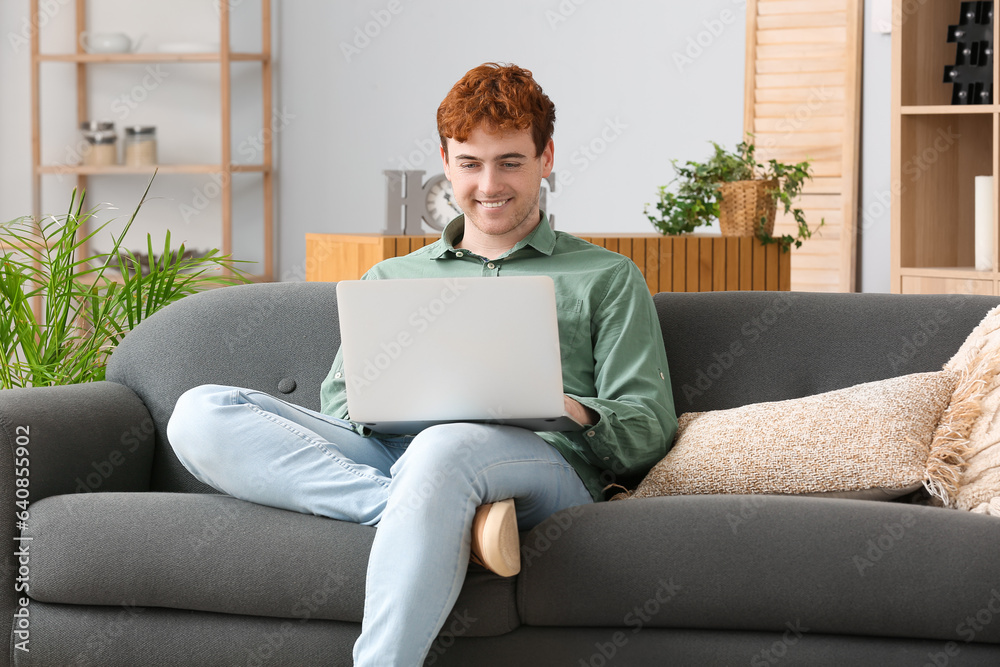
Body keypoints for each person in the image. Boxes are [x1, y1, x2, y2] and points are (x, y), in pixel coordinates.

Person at [167, 62, 677, 666]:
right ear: (446, 161)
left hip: (543, 471)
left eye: (511, 161)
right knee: (199, 414)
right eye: (470, 164)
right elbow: (340, 403)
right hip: (401, 453)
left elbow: (648, 427)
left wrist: (571, 410)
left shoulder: (607, 276)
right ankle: (441, 513)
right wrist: (391, 407)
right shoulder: (391, 277)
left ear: (546, 158)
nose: (489, 184)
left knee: (447, 448)